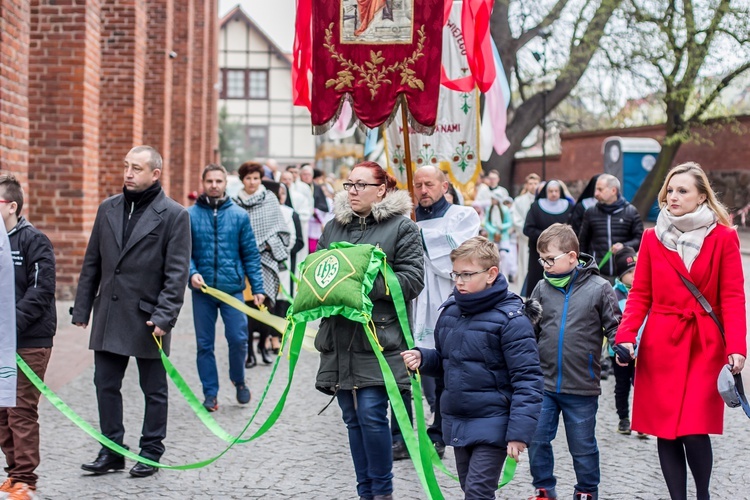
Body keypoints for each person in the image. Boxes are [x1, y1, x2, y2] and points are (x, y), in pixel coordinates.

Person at [614, 162, 746, 500]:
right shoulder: (652, 237)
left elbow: (732, 296)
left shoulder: (724, 237)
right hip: (661, 343)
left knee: (693, 428)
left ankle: (702, 494)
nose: (673, 196)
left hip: (704, 344)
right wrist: (625, 335)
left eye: (682, 190)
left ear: (702, 196)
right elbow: (640, 294)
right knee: (666, 430)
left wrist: (737, 346)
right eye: (669, 190)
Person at [72, 146, 191, 478]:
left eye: (136, 168)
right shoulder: (107, 208)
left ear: (155, 174)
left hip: (148, 318)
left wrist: (165, 316)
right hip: (109, 315)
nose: (128, 173)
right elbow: (92, 262)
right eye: (126, 166)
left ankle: (151, 451)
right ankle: (111, 450)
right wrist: (82, 308)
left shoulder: (174, 215)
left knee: (153, 389)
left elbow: (176, 272)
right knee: (104, 384)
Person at [401, 236, 544, 500]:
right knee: (471, 489)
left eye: (467, 274)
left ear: (491, 274)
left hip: (494, 422)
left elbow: (528, 380)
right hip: (458, 420)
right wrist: (424, 358)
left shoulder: (512, 320)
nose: (458, 281)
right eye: (456, 274)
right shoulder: (451, 311)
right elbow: (448, 362)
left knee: (477, 492)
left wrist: (518, 434)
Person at [314, 161, 424, 500]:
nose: (353, 191)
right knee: (351, 416)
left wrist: (364, 284)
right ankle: (366, 492)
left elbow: (412, 279)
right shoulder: (333, 227)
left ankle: (382, 491)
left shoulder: (403, 228)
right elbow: (319, 268)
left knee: (372, 413)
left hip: (380, 337)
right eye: (349, 185)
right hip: (340, 335)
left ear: (382, 190)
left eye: (361, 185)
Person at [528, 223, 621, 500]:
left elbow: (615, 326)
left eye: (550, 259)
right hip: (543, 382)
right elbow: (528, 330)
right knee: (537, 439)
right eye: (541, 259)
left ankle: (586, 490)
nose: (544, 265)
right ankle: (544, 488)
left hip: (581, 385)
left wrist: (621, 347)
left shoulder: (599, 288)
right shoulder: (542, 288)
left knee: (582, 445)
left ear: (571, 256)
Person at [394, 166, 479, 461]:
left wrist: (416, 237)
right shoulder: (405, 220)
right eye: (417, 185)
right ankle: (401, 435)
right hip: (413, 299)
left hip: (446, 297)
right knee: (404, 364)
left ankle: (439, 433)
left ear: (444, 186)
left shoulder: (463, 216)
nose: (423, 190)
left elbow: (458, 253)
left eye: (429, 184)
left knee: (445, 367)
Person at [188, 164, 265, 412]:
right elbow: (183, 253)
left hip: (232, 289)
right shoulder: (189, 215)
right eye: (209, 181)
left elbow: (251, 255)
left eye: (218, 181)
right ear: (203, 182)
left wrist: (257, 287)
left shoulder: (239, 216)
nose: (214, 185)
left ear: (225, 184)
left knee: (238, 338)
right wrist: (192, 273)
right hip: (203, 291)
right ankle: (210, 393)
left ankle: (238, 379)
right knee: (205, 344)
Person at [0, 174, 56, 499]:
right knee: (2, 409)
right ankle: (13, 472)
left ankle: (26, 480)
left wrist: (10, 325)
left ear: (12, 207)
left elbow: (41, 291)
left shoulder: (35, 241)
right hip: (3, 341)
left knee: (20, 409)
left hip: (30, 341)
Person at [233, 162, 289, 365]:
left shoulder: (270, 199)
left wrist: (267, 244)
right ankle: (249, 351)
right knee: (248, 307)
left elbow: (281, 230)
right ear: (242, 180)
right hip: (244, 262)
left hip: (266, 261)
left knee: (266, 305)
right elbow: (233, 232)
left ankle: (263, 346)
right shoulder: (235, 203)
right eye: (248, 178)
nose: (252, 182)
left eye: (256, 178)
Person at [578, 174, 644, 282]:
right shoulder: (590, 212)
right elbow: (583, 242)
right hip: (598, 274)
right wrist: (585, 267)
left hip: (624, 274)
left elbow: (640, 239)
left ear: (613, 190)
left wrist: (624, 246)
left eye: (600, 189)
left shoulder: (631, 212)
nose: (595, 194)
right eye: (596, 190)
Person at [608, 246, 641, 436]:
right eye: (629, 272)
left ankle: (641, 420)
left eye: (636, 270)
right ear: (621, 275)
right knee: (622, 385)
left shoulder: (646, 291)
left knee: (641, 385)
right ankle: (623, 418)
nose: (634, 275)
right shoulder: (613, 293)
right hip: (619, 351)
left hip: (641, 349)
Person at [522, 181, 573, 298]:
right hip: (538, 253)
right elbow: (528, 229)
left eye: (556, 191)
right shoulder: (536, 207)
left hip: (561, 252)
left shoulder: (569, 207)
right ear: (545, 192)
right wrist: (548, 237)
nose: (554, 194)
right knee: (537, 280)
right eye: (551, 191)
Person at [512, 173, 540, 295]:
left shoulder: (542, 200)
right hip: (525, 240)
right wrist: (529, 232)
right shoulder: (519, 201)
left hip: (541, 239)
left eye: (535, 183)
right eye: (530, 183)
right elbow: (516, 219)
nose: (533, 186)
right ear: (526, 185)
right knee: (524, 266)